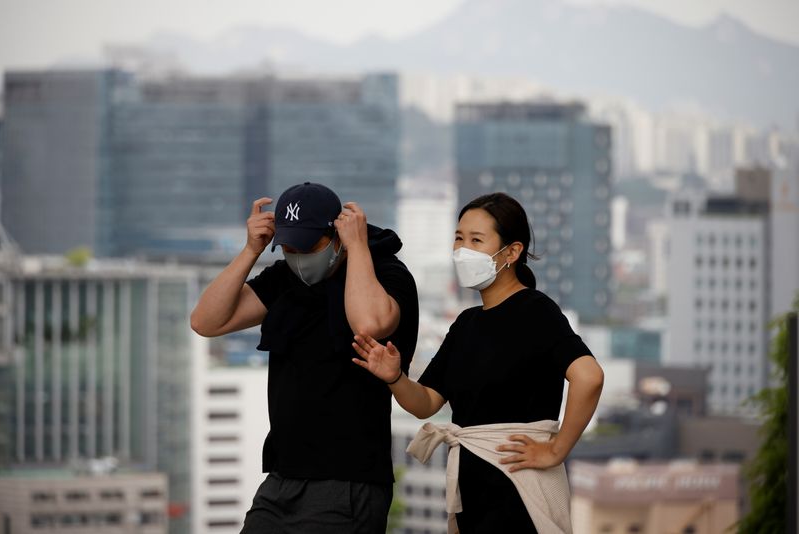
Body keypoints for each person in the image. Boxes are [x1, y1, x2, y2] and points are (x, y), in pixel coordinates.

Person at [352, 192, 604, 533]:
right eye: (459, 238)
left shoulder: (536, 310)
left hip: (518, 491)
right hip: (473, 493)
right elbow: (426, 402)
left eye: (476, 240)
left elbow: (589, 377)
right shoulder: (466, 323)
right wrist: (395, 378)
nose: (462, 250)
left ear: (512, 252)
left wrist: (556, 450)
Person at [191, 182, 419, 533]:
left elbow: (368, 324)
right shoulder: (285, 277)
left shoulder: (386, 274)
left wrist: (358, 245)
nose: (297, 255)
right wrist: (251, 250)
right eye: (288, 246)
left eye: (308, 244)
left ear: (338, 233)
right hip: (282, 478)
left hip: (346, 481)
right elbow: (206, 321)